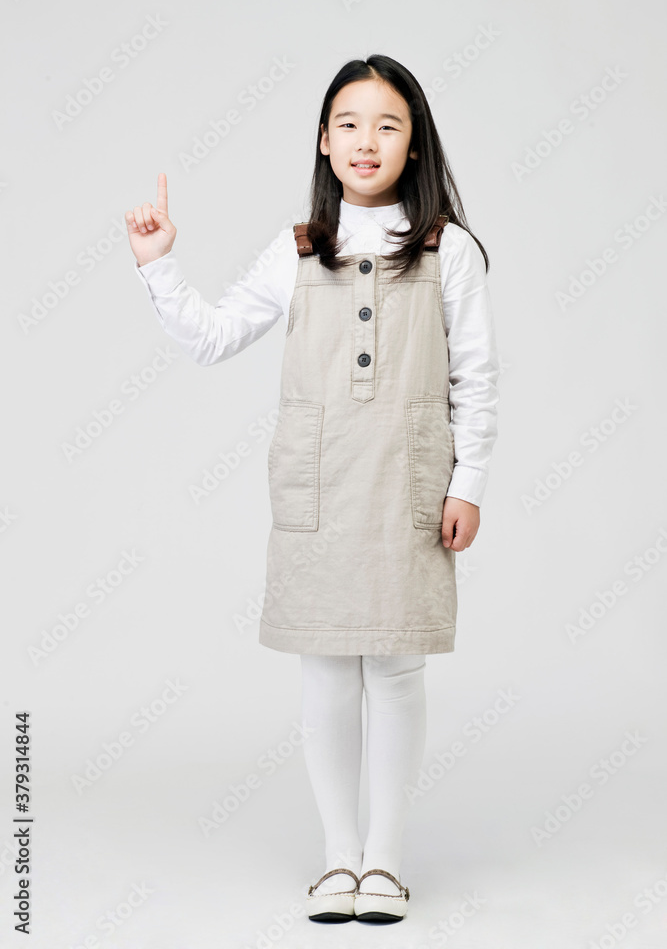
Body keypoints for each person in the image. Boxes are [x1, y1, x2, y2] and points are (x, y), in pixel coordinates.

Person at [125, 54, 500, 925]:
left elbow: (476, 378)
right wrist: (157, 265)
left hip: (407, 487)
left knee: (395, 668)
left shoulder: (448, 250)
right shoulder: (298, 249)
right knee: (327, 670)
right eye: (347, 124)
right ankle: (339, 859)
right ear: (324, 143)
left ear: (414, 144)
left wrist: (469, 482)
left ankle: (385, 861)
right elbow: (214, 336)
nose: (366, 140)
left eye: (387, 124)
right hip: (318, 487)